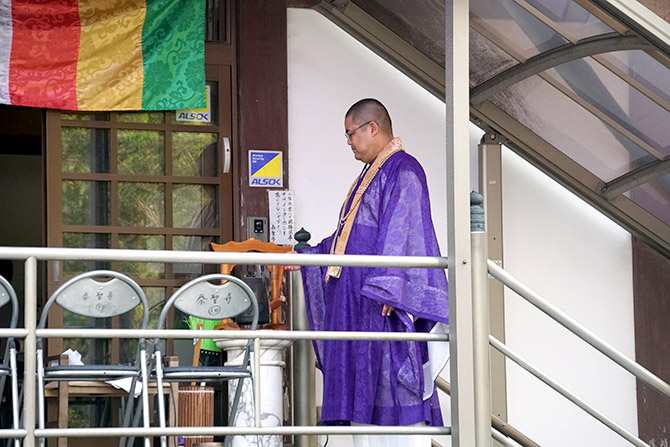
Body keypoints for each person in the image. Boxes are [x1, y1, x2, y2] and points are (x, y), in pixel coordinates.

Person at [288, 98, 449, 446]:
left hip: (381, 305)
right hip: (359, 307)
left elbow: (404, 229)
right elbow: (349, 236)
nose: (348, 142)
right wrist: (311, 256)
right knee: (364, 402)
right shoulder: (369, 174)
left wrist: (392, 284)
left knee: (390, 390)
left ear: (372, 128)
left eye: (350, 134)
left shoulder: (403, 169)